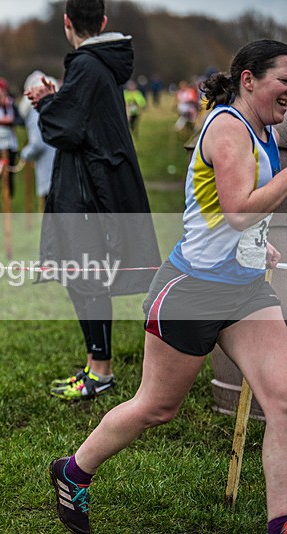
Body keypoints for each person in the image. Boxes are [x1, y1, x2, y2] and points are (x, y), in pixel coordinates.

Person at [49, 38, 287, 534]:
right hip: (191, 291)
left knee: (283, 399)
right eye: (284, 80)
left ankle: (280, 521)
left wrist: (255, 246)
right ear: (249, 79)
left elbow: (229, 217)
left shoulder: (264, 130)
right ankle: (73, 472)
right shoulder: (227, 126)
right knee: (156, 407)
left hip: (244, 291)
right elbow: (241, 209)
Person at [25, 0, 160, 401]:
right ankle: (95, 366)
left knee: (87, 278)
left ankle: (100, 372)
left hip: (88, 193)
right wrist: (59, 97)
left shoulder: (87, 63)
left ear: (68, 22)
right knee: (82, 276)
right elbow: (81, 116)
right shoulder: (98, 64)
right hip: (93, 187)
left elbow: (65, 128)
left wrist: (46, 102)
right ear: (102, 22)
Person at [18, 70, 57, 203]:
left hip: (49, 169)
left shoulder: (36, 110)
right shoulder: (56, 104)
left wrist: (24, 154)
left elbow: (37, 142)